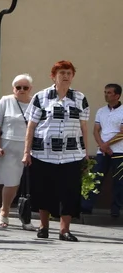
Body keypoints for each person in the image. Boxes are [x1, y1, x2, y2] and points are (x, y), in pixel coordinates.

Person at [23, 61, 89, 242]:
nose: (66, 76)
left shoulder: (80, 98)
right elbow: (31, 126)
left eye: (69, 73)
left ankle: (64, 230)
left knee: (69, 192)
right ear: (54, 76)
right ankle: (43, 227)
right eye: (62, 73)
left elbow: (84, 127)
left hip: (71, 154)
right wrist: (26, 152)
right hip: (43, 153)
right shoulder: (41, 97)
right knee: (44, 191)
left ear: (72, 76)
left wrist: (85, 152)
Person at [0, 74, 34, 229]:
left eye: (25, 87)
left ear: (30, 89)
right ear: (13, 88)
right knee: (11, 183)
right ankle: (5, 211)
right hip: (9, 146)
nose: (21, 90)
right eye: (18, 87)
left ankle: (27, 217)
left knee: (31, 184)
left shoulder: (36, 103)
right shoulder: (5, 101)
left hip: (31, 147)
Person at [82, 83, 123, 218]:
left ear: (117, 95)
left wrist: (107, 144)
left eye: (109, 93)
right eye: (105, 92)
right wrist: (102, 145)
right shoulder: (101, 111)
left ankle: (115, 209)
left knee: (118, 181)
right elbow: (96, 130)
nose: (106, 95)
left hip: (119, 151)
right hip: (103, 151)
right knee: (95, 177)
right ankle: (86, 206)